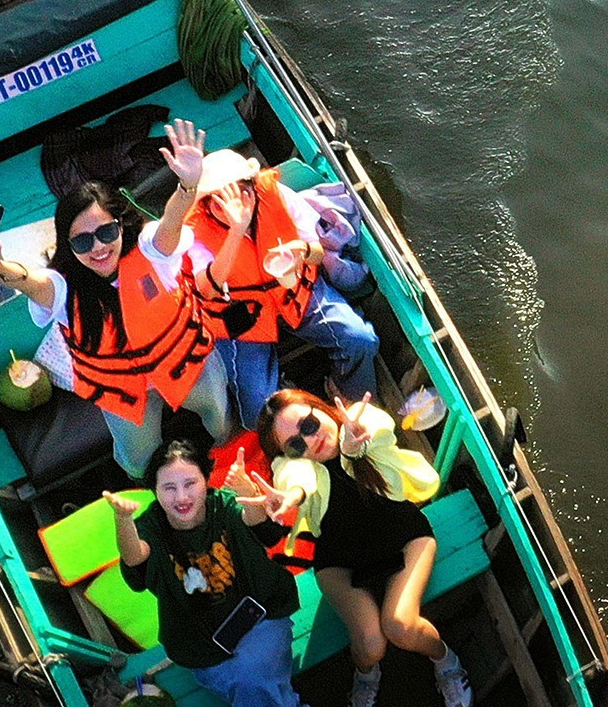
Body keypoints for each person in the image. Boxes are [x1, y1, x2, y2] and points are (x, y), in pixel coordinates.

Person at [0, 118, 232, 476]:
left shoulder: (152, 251)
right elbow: (29, 281)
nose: (98, 248)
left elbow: (172, 221)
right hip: (124, 392)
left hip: (187, 366)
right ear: (68, 245)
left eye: (106, 232)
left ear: (120, 226)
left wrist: (188, 183)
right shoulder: (62, 288)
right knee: (138, 462)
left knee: (221, 424)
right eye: (82, 241)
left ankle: (228, 456)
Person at [259, 390, 469, 707]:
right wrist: (292, 496)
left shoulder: (359, 418)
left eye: (310, 424)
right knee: (370, 646)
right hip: (341, 560)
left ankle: (447, 662)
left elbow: (376, 430)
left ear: (321, 410)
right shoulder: (296, 468)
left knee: (400, 625)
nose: (310, 440)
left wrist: (354, 449)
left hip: (403, 537)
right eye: (296, 445)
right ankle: (367, 675)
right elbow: (294, 477)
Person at [189, 151, 379, 425]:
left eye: (239, 195)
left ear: (252, 188)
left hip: (295, 295)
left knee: (360, 340)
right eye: (219, 202)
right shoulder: (195, 233)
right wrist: (236, 229)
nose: (231, 208)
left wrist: (301, 251)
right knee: (256, 413)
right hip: (242, 320)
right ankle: (284, 422)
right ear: (207, 205)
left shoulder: (277, 196)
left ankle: (351, 403)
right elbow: (206, 288)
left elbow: (316, 251)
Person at [109, 440, 303, 707]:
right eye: (169, 488)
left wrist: (248, 492)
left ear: (207, 480)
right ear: (154, 491)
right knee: (253, 685)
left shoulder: (223, 505)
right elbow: (135, 558)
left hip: (261, 617)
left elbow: (262, 530)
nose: (181, 497)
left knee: (251, 681)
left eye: (190, 484)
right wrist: (122, 520)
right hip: (199, 644)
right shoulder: (151, 526)